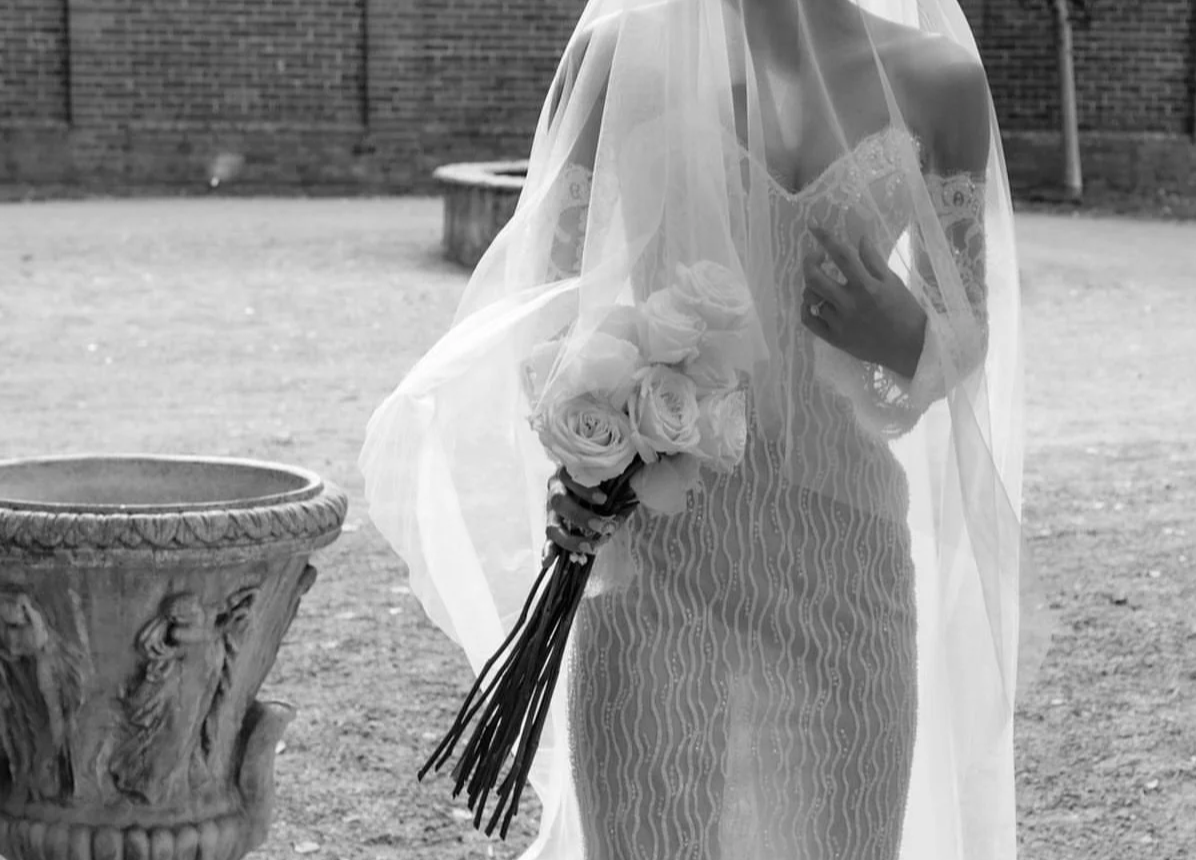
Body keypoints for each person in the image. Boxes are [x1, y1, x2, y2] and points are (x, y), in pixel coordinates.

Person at [361, 1, 1036, 858]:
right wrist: (588, 436)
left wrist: (904, 335)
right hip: (656, 563)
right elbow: (548, 304)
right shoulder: (613, 57)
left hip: (847, 572)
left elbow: (968, 329)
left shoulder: (942, 83)